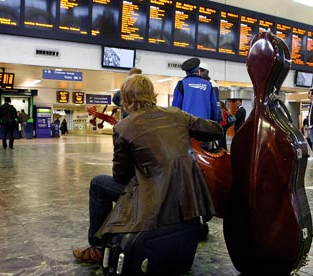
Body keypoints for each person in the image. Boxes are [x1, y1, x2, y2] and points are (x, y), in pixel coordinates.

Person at [72, 74, 222, 264]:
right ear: (152, 94)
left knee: (98, 184)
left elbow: (121, 176)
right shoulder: (177, 114)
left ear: (125, 99)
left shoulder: (123, 128)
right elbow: (215, 130)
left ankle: (97, 247)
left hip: (155, 196)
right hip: (187, 193)